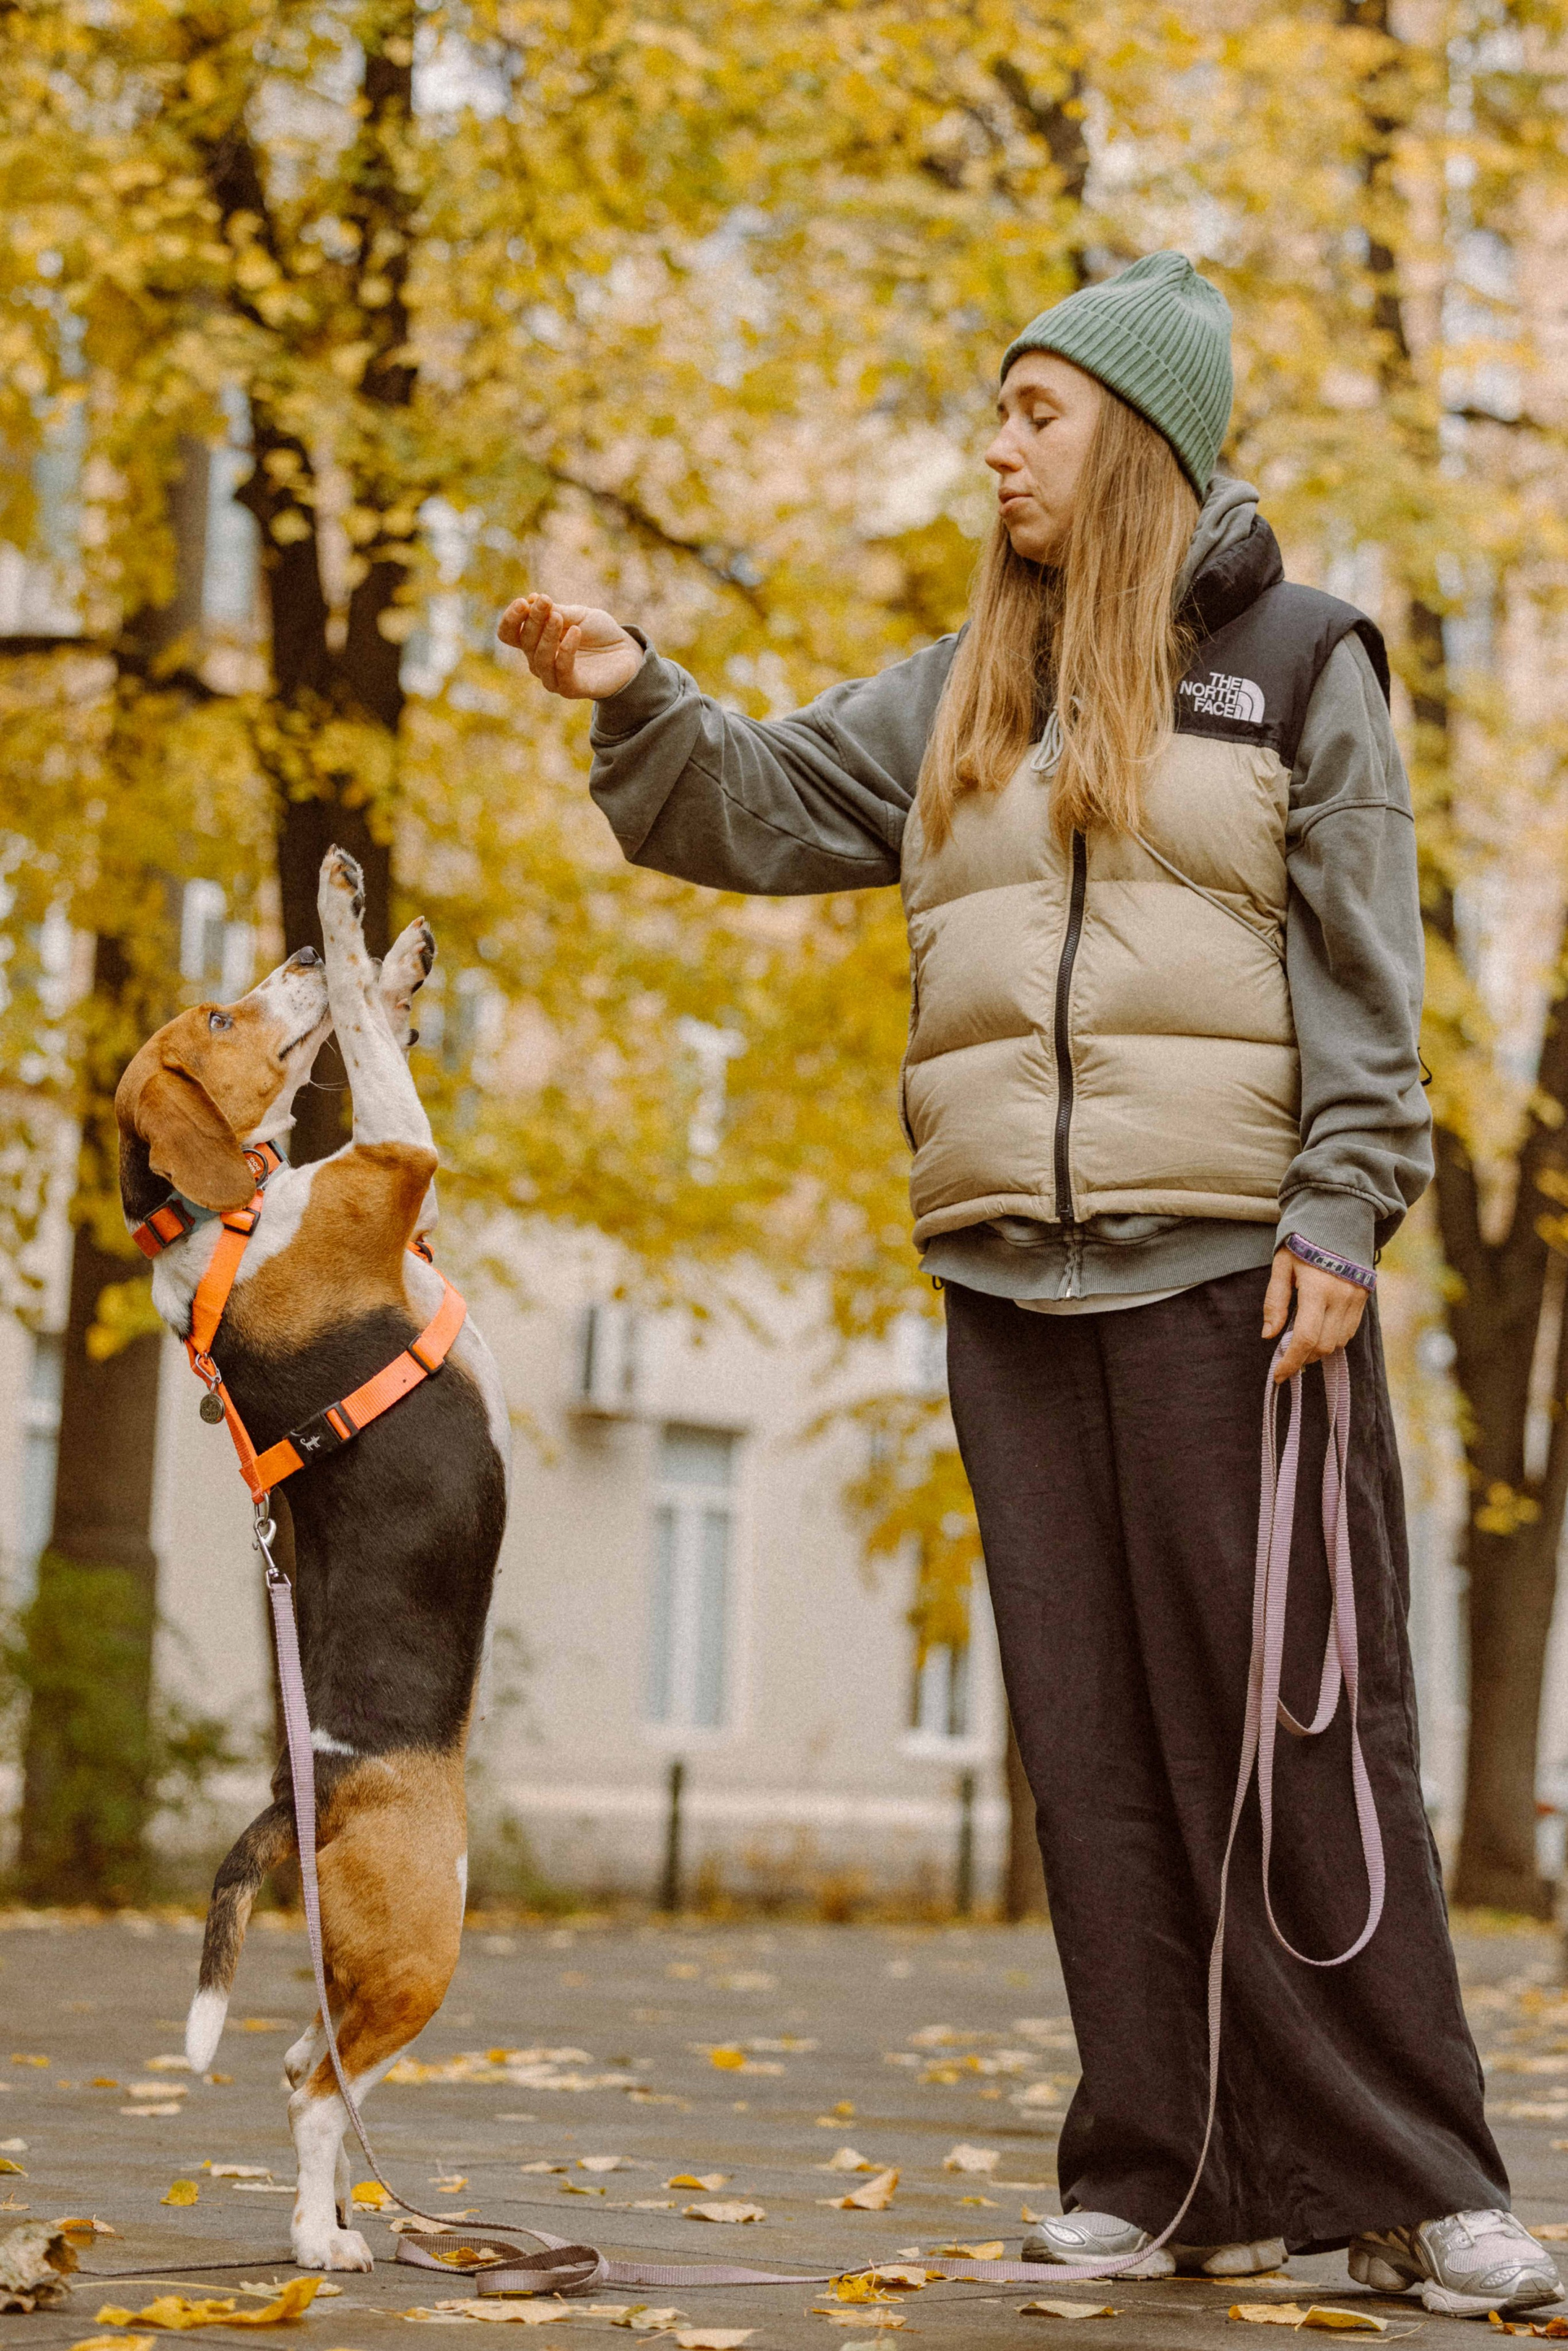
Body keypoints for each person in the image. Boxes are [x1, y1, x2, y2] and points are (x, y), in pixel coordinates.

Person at [497, 251, 1557, 2322]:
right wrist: (638, 692)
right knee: (1091, 1749)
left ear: (1139, 437)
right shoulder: (960, 687)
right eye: (998, 410)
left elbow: (1364, 975)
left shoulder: (1305, 661)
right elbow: (763, 802)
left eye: (1035, 412)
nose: (997, 446)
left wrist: (1343, 1209)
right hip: (1014, 1286)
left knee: (1299, 1740)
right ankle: (1175, 2173)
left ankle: (1421, 2181)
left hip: (1241, 1288)